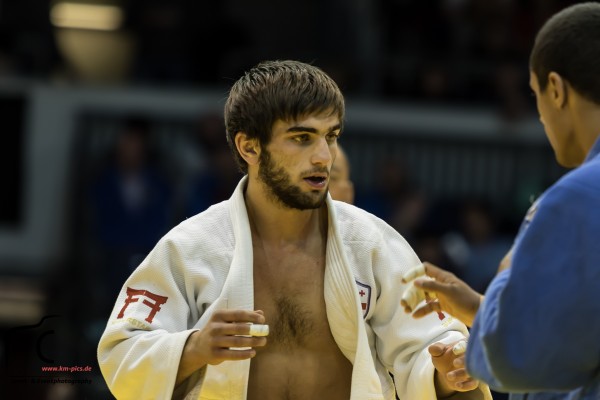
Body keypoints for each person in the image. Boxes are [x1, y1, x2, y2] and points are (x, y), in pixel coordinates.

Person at [97, 60, 492, 399]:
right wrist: (195, 347)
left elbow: (428, 347)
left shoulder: (372, 245)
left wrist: (447, 372)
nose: (323, 156)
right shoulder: (191, 248)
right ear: (250, 148)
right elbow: (121, 352)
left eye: (331, 137)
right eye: (302, 138)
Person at [402, 3, 600, 399]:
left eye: (535, 93)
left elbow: (516, 361)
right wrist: (480, 306)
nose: (540, 116)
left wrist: (507, 278)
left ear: (556, 90)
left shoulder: (574, 198)